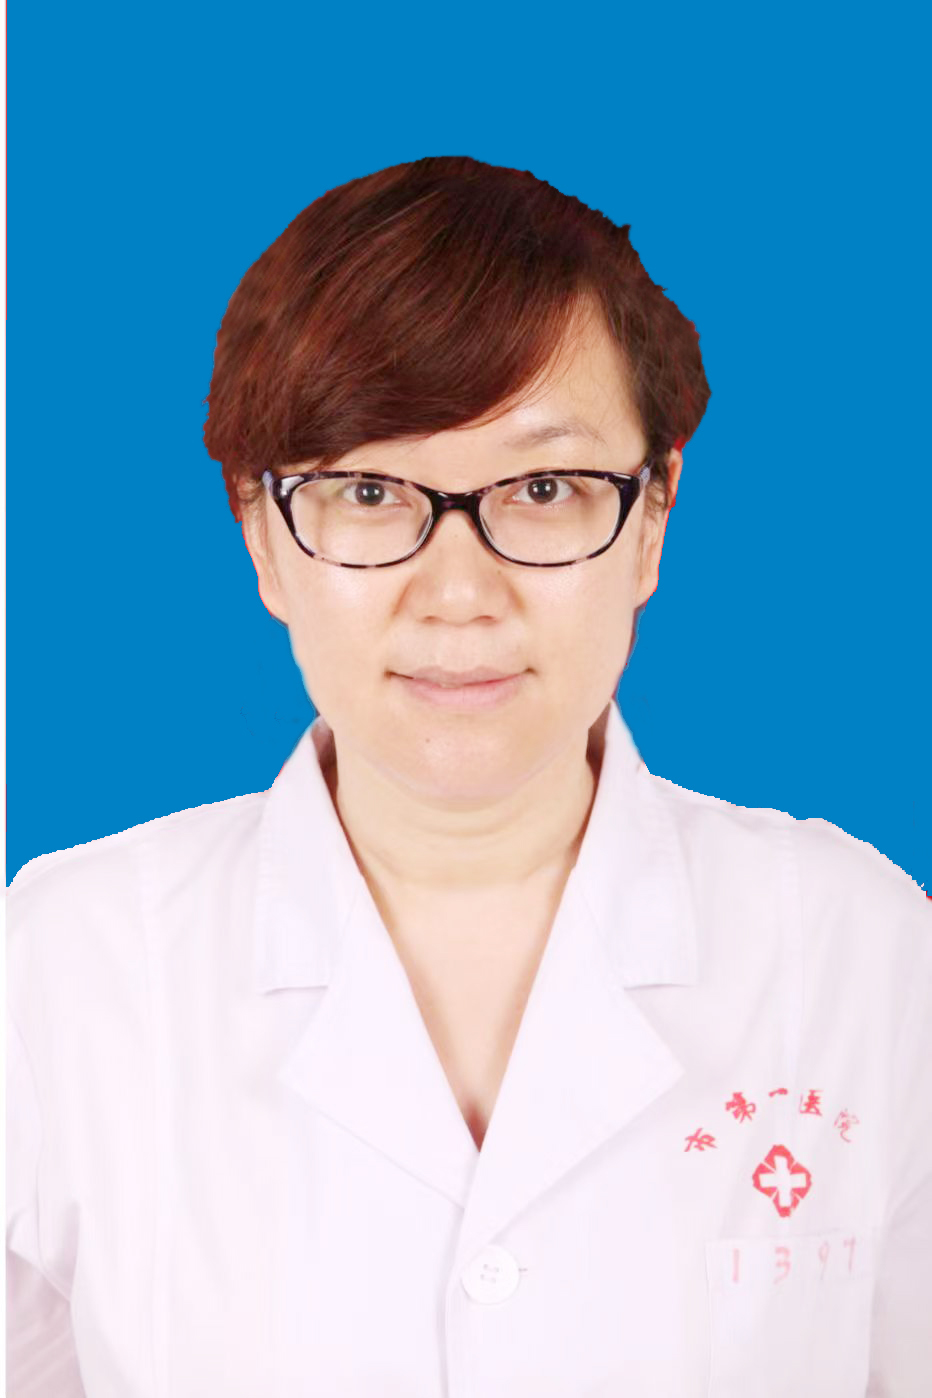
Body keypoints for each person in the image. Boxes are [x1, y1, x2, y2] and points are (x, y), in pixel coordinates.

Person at [6, 155, 929, 1397]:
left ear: (652, 518)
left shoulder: (858, 953)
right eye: (367, 490)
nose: (456, 595)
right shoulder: (64, 969)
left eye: (543, 488)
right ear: (261, 534)